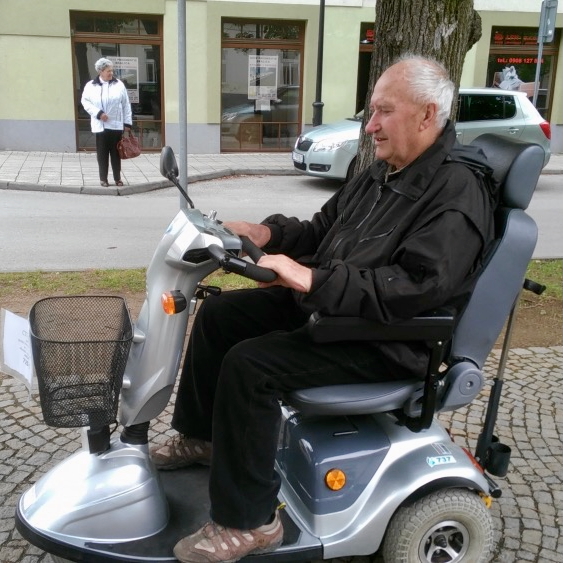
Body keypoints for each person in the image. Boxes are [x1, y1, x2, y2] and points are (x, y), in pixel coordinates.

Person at [150, 54, 497, 563]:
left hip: (390, 340)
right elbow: (321, 231)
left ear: (427, 114)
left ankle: (250, 522)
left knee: (251, 367)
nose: (370, 125)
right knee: (220, 317)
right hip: (339, 310)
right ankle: (203, 438)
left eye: (384, 111)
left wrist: (311, 278)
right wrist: (264, 233)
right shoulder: (383, 172)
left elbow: (415, 289)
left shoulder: (458, 192)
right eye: (371, 111)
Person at [81, 58, 133, 187]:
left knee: (116, 154)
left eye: (112, 70)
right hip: (101, 126)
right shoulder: (90, 86)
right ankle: (103, 179)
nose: (111, 73)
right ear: (101, 71)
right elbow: (85, 102)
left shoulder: (119, 84)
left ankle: (117, 178)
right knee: (102, 154)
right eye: (108, 71)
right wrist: (98, 113)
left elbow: (126, 104)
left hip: (116, 125)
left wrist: (127, 123)